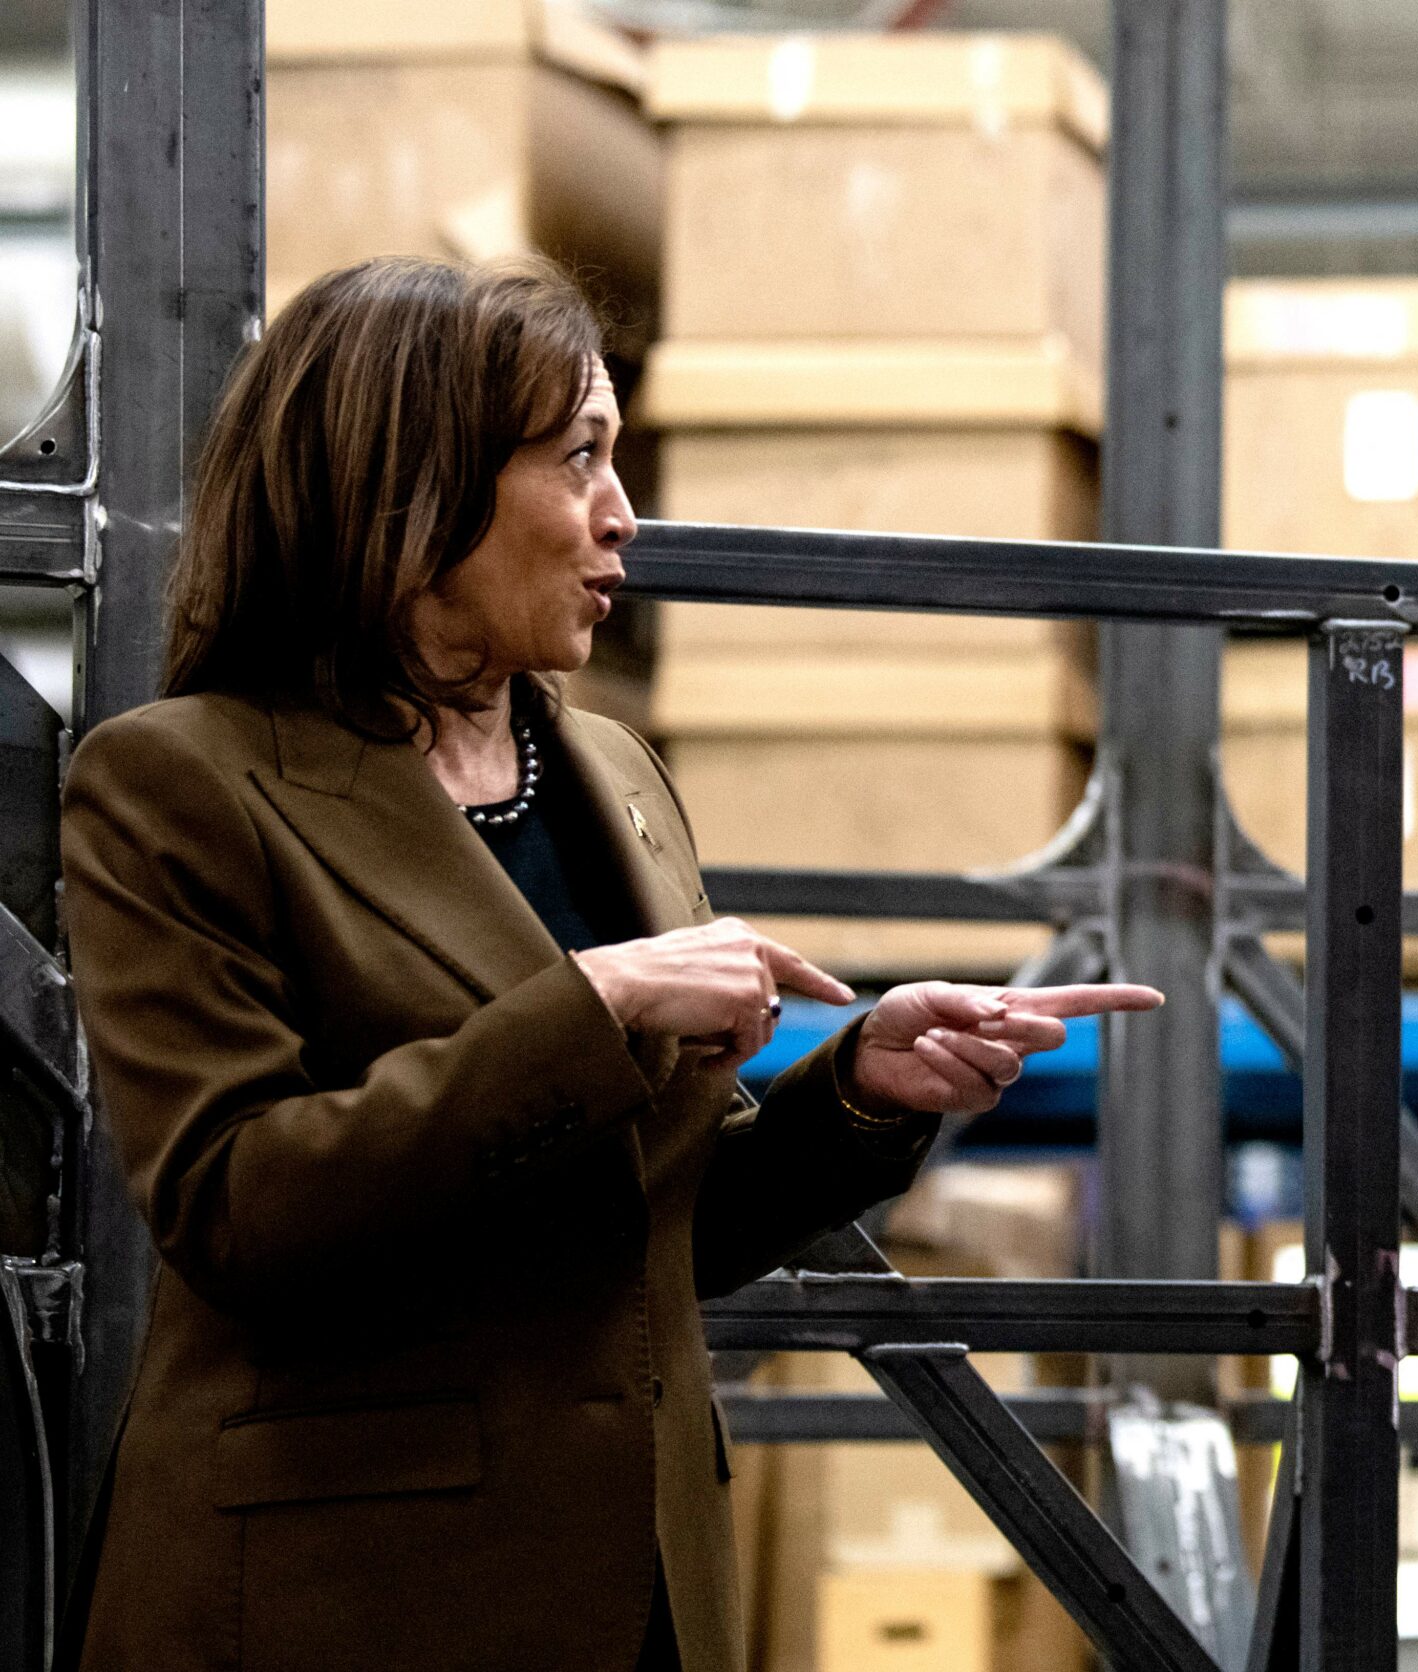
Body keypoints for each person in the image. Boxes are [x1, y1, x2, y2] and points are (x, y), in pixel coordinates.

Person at [56, 255, 1163, 1672]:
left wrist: (861, 1099)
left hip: (637, 1589)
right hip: (343, 1596)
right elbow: (239, 1212)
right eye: (579, 457)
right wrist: (595, 1003)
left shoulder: (611, 772)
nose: (622, 517)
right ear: (408, 484)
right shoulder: (179, 783)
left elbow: (642, 1245)